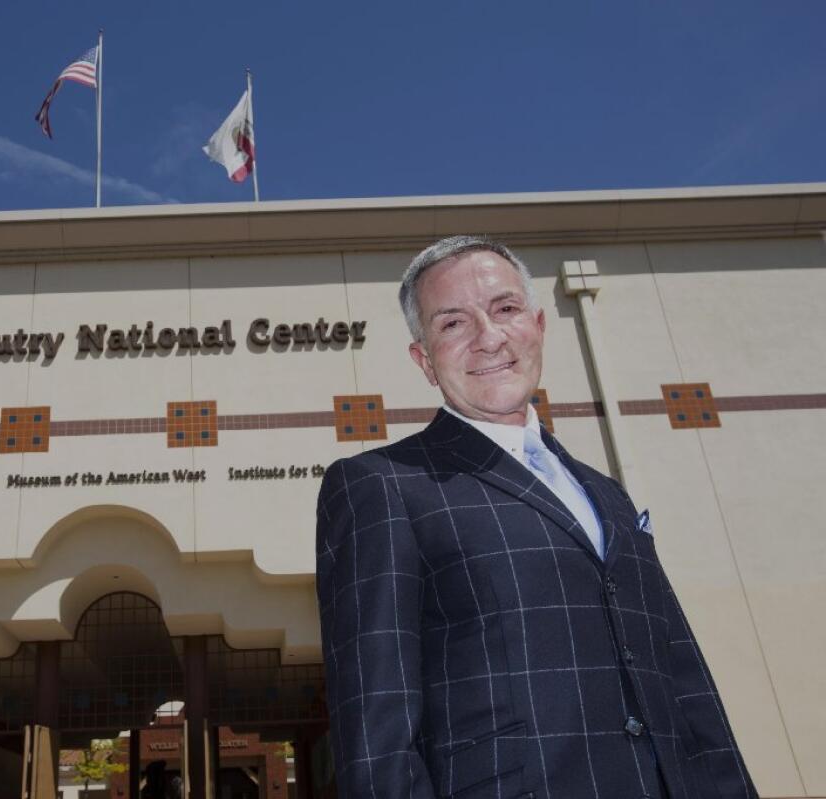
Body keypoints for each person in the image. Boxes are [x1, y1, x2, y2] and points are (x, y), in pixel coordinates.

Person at [315, 236, 757, 798]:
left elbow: (685, 683)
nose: (489, 336)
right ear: (424, 359)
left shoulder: (606, 494)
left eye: (505, 309)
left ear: (538, 325)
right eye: (453, 324)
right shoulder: (380, 487)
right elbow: (377, 733)